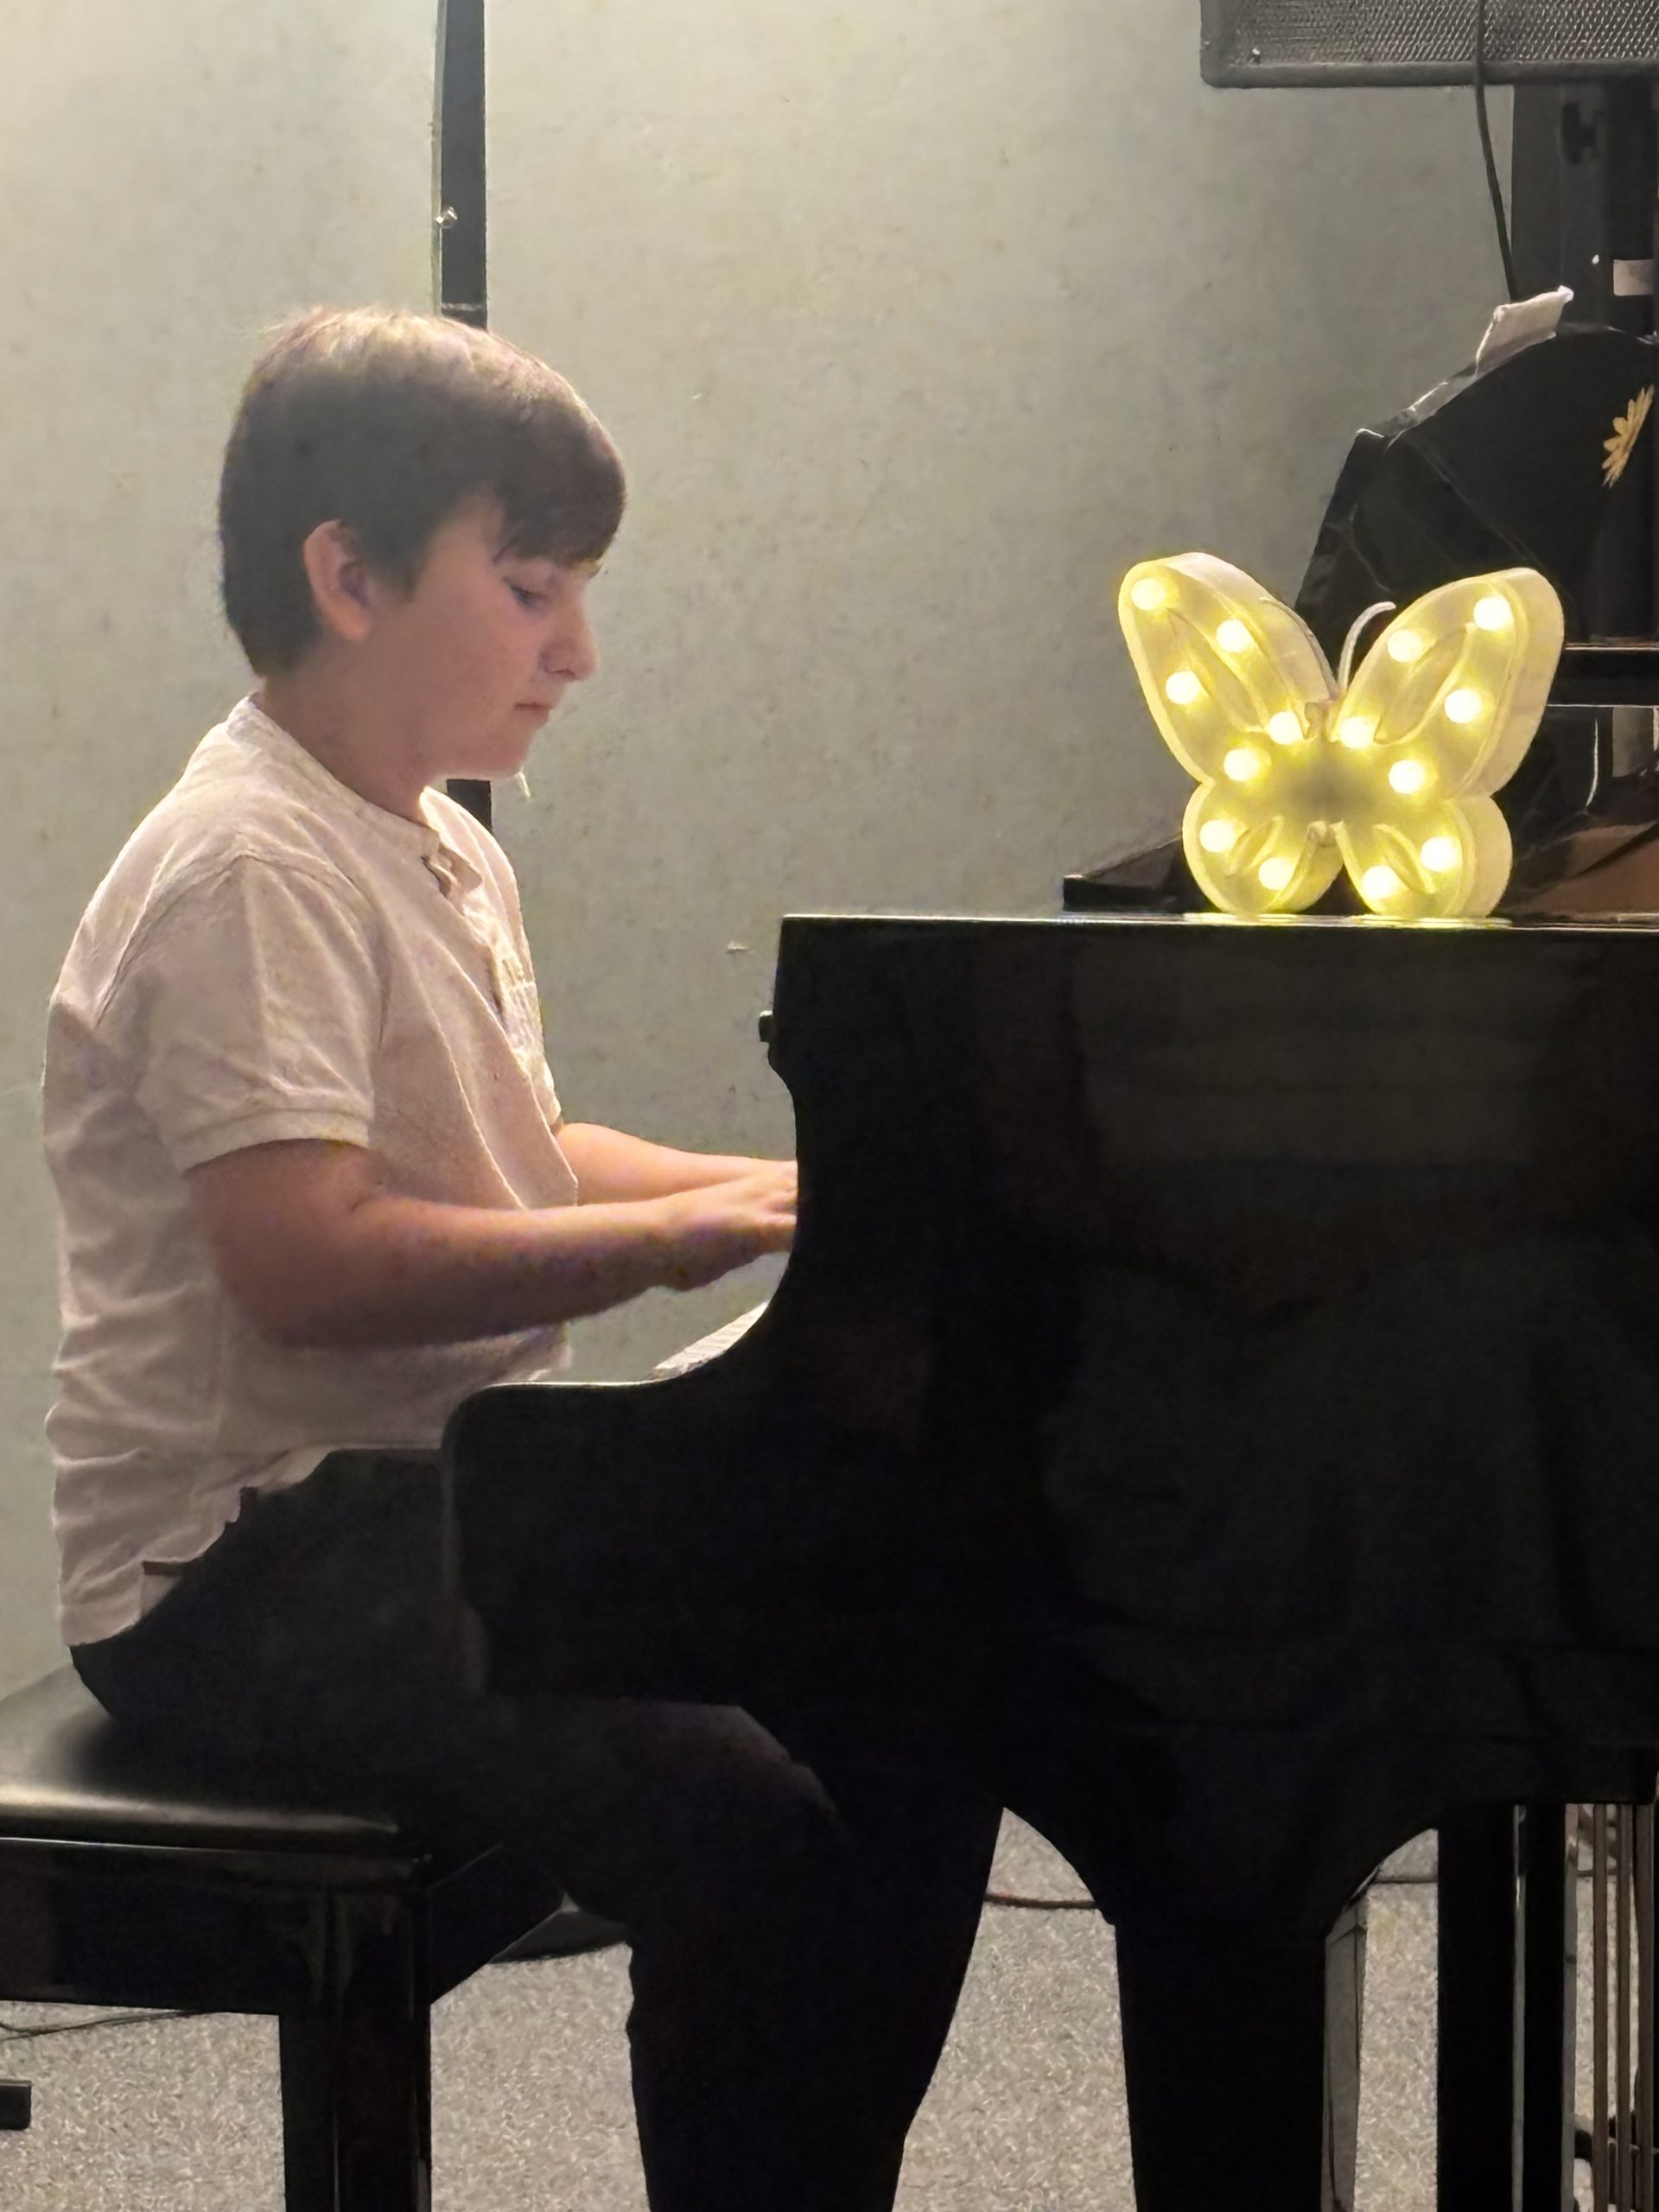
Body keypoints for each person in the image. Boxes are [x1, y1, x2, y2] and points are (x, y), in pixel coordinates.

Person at [41, 303, 1002, 2211]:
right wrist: (667, 1242)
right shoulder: (249, 865)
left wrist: (801, 1188)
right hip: (238, 1563)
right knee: (743, 1830)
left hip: (440, 1496)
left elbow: (522, 1154)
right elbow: (307, 1262)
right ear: (351, 577)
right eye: (534, 586)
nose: (578, 650)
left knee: (930, 1676)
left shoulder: (438, 846)